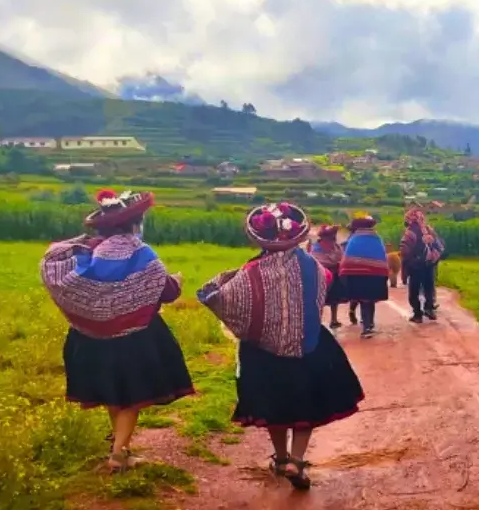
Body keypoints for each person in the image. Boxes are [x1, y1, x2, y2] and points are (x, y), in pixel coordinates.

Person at [197, 202, 365, 491]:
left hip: (263, 354)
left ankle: (281, 456)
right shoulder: (314, 266)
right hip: (310, 346)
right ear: (298, 235)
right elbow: (325, 288)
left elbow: (214, 295)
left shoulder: (249, 273)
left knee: (276, 406)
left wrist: (226, 279)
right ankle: (296, 461)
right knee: (306, 406)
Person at [40, 189, 193, 473]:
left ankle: (119, 446)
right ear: (135, 223)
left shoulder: (83, 252)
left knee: (114, 393)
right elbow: (166, 291)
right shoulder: (142, 253)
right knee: (130, 396)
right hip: (135, 339)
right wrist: (176, 281)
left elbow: (72, 282)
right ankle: (119, 455)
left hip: (90, 339)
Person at [339, 213, 389, 338]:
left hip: (355, 274)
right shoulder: (376, 239)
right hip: (374, 274)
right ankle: (368, 325)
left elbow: (346, 259)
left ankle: (367, 324)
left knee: (361, 299)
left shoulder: (353, 239)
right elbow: (382, 257)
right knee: (369, 299)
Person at [400, 207, 444, 323]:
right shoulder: (429, 230)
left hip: (415, 266)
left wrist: (405, 268)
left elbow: (405, 251)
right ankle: (429, 308)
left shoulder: (410, 233)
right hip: (429, 264)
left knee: (414, 290)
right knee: (429, 287)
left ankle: (417, 314)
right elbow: (439, 246)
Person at [310, 224, 347, 328]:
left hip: (335, 275)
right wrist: (334, 263)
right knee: (320, 298)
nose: (333, 237)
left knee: (335, 299)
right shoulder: (316, 247)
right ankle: (318, 320)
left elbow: (341, 258)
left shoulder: (336, 246)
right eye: (331, 235)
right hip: (322, 276)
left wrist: (336, 263)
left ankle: (334, 319)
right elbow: (318, 260)